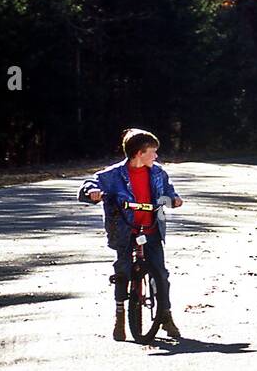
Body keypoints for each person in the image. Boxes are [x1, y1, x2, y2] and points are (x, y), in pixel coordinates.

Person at [78, 129, 184, 341]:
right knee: (123, 272)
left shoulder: (158, 173)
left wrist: (174, 199)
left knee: (161, 275)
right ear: (139, 153)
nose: (156, 156)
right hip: (125, 230)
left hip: (152, 228)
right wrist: (93, 193)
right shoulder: (112, 175)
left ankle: (165, 314)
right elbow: (89, 186)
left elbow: (169, 192)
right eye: (152, 152)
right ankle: (120, 314)